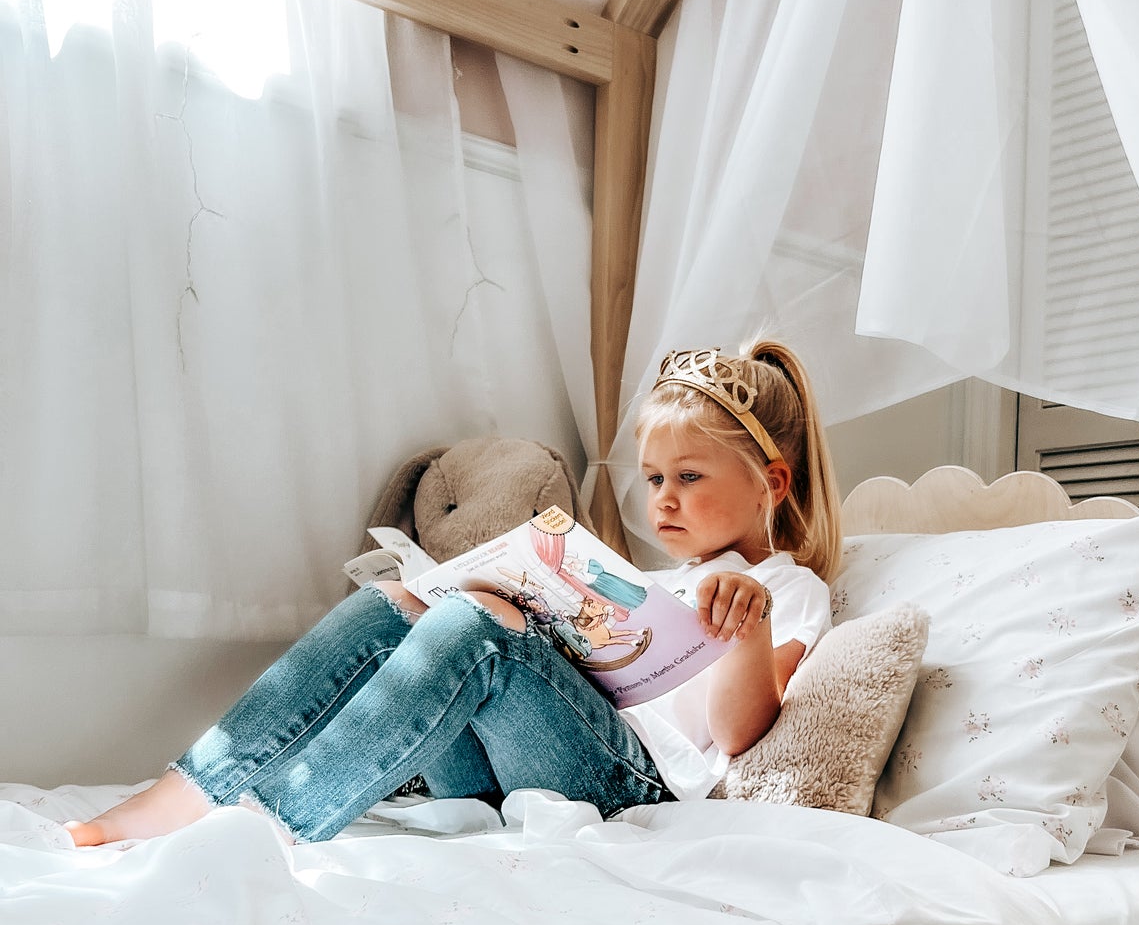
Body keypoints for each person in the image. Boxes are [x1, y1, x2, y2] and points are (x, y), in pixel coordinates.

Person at [65, 339, 840, 848]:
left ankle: (276, 822)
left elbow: (740, 734)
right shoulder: (651, 579)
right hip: (515, 762)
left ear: (770, 482)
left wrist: (746, 626)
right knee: (397, 603)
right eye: (654, 478)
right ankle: (185, 791)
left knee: (482, 630)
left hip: (627, 785)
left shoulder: (786, 587)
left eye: (689, 477)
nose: (662, 499)